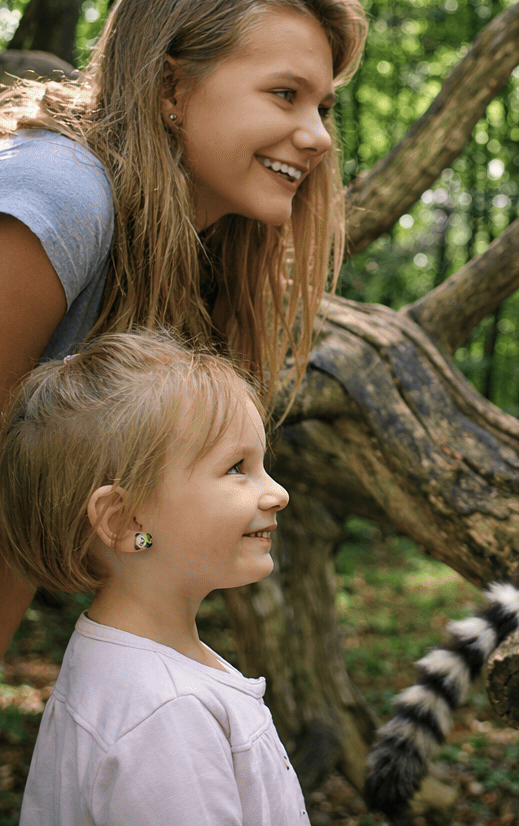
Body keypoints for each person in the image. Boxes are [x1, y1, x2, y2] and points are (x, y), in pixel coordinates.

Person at [0, 0, 368, 655]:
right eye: (285, 94)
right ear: (172, 89)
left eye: (324, 106)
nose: (319, 136)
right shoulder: (62, 196)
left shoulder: (189, 252)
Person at [0, 329, 306, 824]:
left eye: (261, 464)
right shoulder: (165, 715)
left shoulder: (136, 669)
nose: (278, 493)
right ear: (125, 521)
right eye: (237, 468)